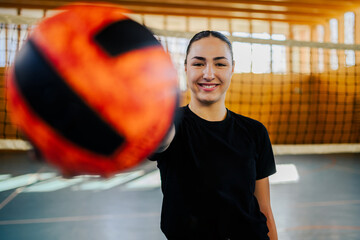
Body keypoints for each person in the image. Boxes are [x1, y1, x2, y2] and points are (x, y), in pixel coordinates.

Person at [149, 30, 278, 240]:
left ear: (232, 68)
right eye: (198, 63)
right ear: (185, 68)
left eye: (220, 64)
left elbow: (264, 209)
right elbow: (158, 138)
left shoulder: (255, 132)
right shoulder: (169, 125)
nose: (209, 74)